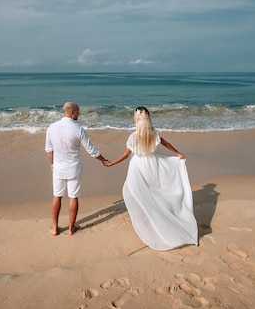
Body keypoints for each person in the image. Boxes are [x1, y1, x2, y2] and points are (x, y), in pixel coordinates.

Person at [105, 106, 198, 250]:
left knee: (137, 192)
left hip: (138, 166)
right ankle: (158, 216)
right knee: (154, 193)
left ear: (136, 118)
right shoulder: (154, 133)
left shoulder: (133, 136)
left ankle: (149, 219)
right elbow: (166, 144)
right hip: (153, 165)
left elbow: (125, 156)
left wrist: (112, 163)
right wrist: (178, 154)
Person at [45, 102, 108, 236]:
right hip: (74, 168)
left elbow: (49, 150)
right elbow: (91, 150)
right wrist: (103, 160)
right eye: (78, 111)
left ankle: (55, 227)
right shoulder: (78, 129)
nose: (79, 113)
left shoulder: (52, 127)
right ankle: (71, 228)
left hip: (58, 169)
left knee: (57, 196)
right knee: (73, 197)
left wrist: (52, 164)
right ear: (72, 113)